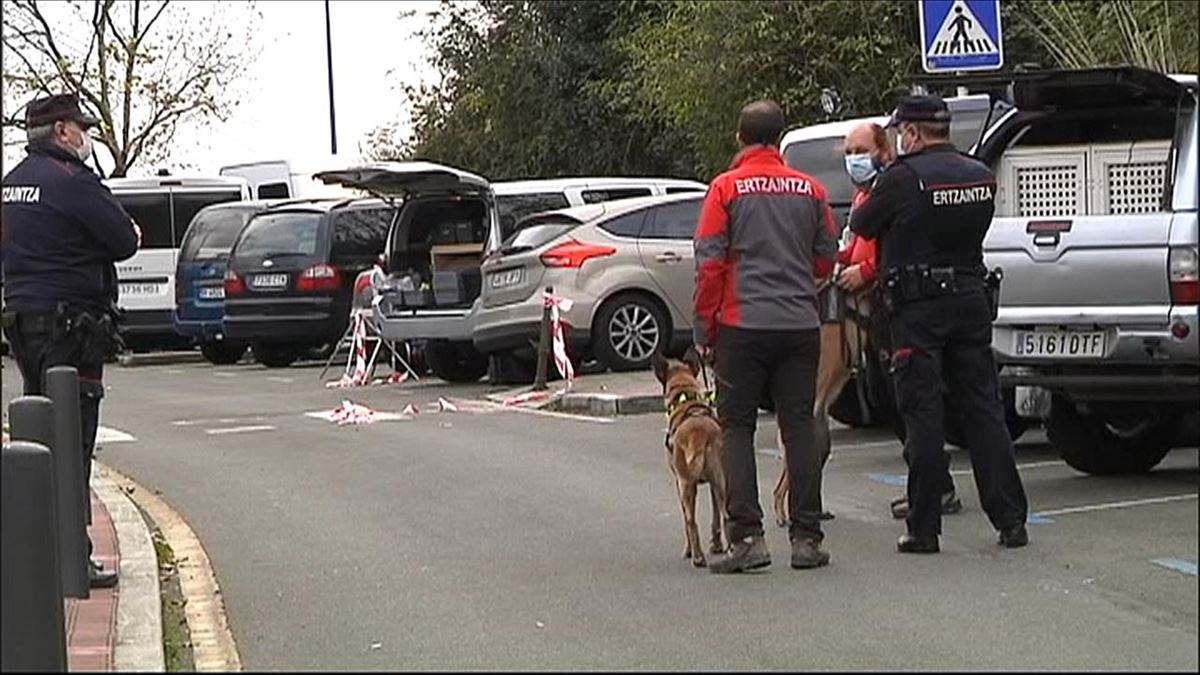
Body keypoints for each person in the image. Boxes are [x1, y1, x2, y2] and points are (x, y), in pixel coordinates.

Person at [849, 95, 1028, 554]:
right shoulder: (978, 172)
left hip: (918, 308)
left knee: (923, 413)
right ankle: (1010, 519)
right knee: (984, 411)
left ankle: (924, 526)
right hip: (970, 299)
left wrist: (885, 174)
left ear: (911, 132)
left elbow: (863, 222)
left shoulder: (903, 179)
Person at [2, 93, 141, 587]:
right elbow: (124, 239)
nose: (83, 135)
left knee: (38, 437)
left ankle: (39, 555)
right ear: (62, 131)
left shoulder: (10, 184)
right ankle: (71, 560)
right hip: (71, 329)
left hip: (22, 324)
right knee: (72, 441)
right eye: (79, 126)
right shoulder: (73, 182)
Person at [694, 100, 838, 573]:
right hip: (799, 324)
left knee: (736, 428)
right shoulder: (810, 189)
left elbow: (710, 264)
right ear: (779, 139)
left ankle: (748, 538)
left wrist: (705, 327)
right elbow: (826, 258)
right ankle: (807, 538)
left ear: (740, 138)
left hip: (742, 325)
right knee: (798, 426)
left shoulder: (725, 189)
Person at [838, 121, 963, 521]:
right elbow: (854, 248)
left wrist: (865, 272)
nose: (853, 159)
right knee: (891, 402)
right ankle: (927, 484)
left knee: (911, 402)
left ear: (884, 149)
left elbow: (897, 248)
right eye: (847, 153)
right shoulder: (862, 197)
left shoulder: (895, 187)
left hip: (897, 306)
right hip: (871, 313)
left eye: (859, 150)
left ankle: (935, 489)